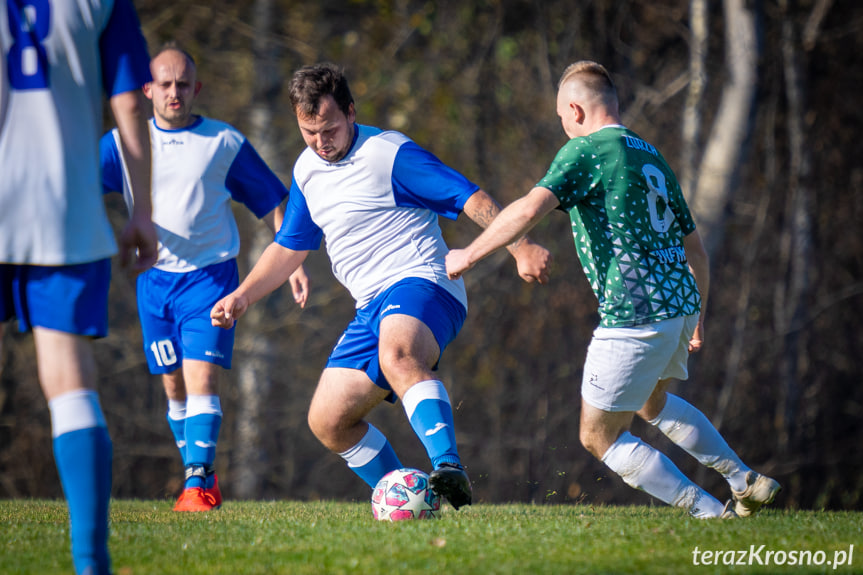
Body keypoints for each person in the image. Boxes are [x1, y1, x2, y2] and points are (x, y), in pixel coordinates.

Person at [446, 61, 781, 518]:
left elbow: (528, 210)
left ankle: (710, 515)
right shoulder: (650, 154)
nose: (563, 128)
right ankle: (743, 479)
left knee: (597, 436)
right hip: (678, 303)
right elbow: (696, 250)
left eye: (562, 117)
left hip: (635, 312)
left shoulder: (586, 150)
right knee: (652, 402)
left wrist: (467, 255)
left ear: (576, 110)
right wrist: (698, 314)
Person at [210, 63, 551, 509]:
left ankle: (448, 467)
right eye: (308, 131)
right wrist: (243, 295)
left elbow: (470, 197)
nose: (320, 142)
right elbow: (289, 247)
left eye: (329, 128)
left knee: (399, 354)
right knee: (328, 421)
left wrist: (520, 247)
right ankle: (408, 500)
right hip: (371, 306)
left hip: (424, 281)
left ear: (351, 112)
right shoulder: (307, 169)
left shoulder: (388, 153)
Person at [100, 44, 310, 512]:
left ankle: (197, 485)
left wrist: (293, 262)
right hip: (153, 284)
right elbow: (81, 188)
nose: (174, 92)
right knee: (173, 386)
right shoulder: (122, 143)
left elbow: (273, 203)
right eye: (165, 84)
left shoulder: (223, 142)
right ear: (147, 89)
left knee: (201, 380)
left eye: (183, 84)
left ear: (196, 89)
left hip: (210, 280)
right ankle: (200, 472)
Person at [0, 1, 156, 573]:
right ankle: (91, 563)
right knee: (69, 381)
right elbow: (129, 101)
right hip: (63, 203)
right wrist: (141, 208)